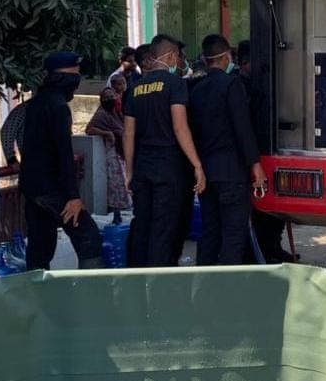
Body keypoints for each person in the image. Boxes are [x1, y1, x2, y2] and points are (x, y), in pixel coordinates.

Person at [123, 36, 206, 267]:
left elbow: (128, 134)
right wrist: (197, 164)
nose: (179, 62)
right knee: (164, 226)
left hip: (142, 167)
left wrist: (129, 171)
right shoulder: (175, 84)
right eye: (178, 57)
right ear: (170, 56)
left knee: (142, 223)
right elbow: (180, 127)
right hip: (169, 167)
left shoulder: (135, 88)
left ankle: (136, 275)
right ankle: (158, 277)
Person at [17, 52, 104, 271]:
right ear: (63, 77)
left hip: (33, 186)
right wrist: (73, 197)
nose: (78, 78)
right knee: (88, 236)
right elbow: (63, 152)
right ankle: (89, 287)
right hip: (51, 188)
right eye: (75, 73)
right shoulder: (57, 106)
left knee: (40, 245)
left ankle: (37, 288)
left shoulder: (37, 103)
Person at [189, 34, 267, 265]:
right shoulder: (232, 85)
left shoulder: (196, 89)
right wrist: (256, 166)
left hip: (206, 173)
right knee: (233, 234)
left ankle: (203, 279)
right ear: (225, 57)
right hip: (231, 173)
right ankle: (227, 282)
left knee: (210, 231)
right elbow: (242, 128)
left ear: (205, 59)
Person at [237, 41, 295, 263]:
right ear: (246, 62)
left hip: (267, 152)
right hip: (250, 156)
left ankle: (272, 247)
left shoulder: (261, 83)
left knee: (273, 207)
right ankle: (257, 253)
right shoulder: (239, 86)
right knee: (255, 210)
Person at [85, 80, 130, 224]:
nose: (110, 100)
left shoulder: (115, 113)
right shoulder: (101, 114)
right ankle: (117, 213)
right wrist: (107, 133)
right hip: (112, 154)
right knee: (117, 185)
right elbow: (89, 129)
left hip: (121, 153)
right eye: (107, 98)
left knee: (124, 183)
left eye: (112, 97)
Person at [0, 98, 28, 168]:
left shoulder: (26, 108)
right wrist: (11, 159)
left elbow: (7, 131)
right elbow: (7, 131)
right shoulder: (26, 108)